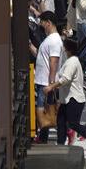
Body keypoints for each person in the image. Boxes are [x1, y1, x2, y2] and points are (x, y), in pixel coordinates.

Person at [43, 38, 86, 156]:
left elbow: (66, 79)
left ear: (69, 49)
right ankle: (60, 145)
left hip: (74, 99)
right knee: (61, 122)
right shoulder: (71, 61)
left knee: (73, 123)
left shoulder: (72, 62)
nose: (63, 49)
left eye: (64, 47)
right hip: (67, 99)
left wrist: (51, 87)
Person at [31, 11, 62, 144]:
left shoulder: (54, 40)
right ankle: (43, 137)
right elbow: (41, 55)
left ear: (48, 23)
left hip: (46, 82)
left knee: (44, 110)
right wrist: (29, 45)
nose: (41, 26)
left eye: (42, 23)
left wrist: (51, 83)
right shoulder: (49, 39)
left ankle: (67, 130)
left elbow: (53, 61)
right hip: (42, 80)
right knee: (46, 111)